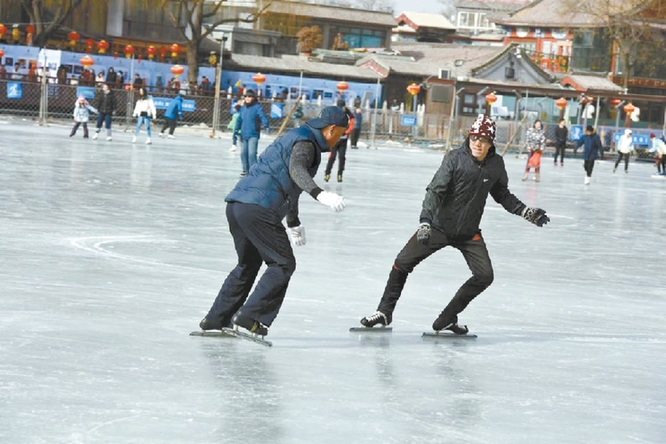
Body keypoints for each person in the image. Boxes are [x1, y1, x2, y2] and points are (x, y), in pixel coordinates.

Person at [359, 115, 550, 334]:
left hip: (468, 233)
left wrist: (526, 212)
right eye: (474, 137)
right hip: (438, 227)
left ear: (491, 143)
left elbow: (502, 195)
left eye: (483, 139)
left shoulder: (496, 165)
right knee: (402, 263)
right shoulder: (454, 159)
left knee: (485, 276)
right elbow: (435, 191)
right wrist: (425, 222)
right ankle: (384, 312)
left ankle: (448, 318)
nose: (477, 143)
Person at [198, 106, 350, 336]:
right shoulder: (306, 143)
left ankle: (216, 319)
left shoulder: (297, 136)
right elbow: (297, 170)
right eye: (340, 133)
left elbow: (291, 182)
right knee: (283, 264)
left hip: (238, 204)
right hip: (259, 208)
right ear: (331, 129)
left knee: (247, 264)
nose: (340, 139)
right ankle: (250, 317)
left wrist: (293, 222)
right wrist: (320, 194)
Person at [234, 89, 270, 177]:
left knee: (251, 153)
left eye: (249, 96)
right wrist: (236, 129)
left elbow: (262, 116)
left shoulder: (257, 107)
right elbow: (239, 119)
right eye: (245, 96)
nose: (247, 98)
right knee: (243, 153)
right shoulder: (243, 108)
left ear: (253, 98)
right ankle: (245, 170)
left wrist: (266, 125)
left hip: (253, 134)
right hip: (243, 134)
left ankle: (253, 171)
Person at [324, 99, 354, 182]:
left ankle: (340, 174)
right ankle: (327, 173)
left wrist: (346, 132)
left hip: (343, 140)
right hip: (334, 140)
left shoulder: (349, 114)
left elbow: (351, 125)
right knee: (332, 157)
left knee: (342, 157)